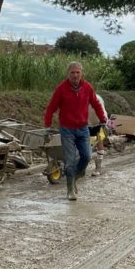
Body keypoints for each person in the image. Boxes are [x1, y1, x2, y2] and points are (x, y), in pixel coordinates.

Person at [44, 61, 108, 200]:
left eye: (78, 72)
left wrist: (103, 118)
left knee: (86, 156)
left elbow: (96, 104)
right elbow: (51, 107)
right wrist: (47, 126)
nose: (75, 75)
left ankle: (77, 175)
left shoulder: (87, 87)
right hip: (67, 130)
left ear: (81, 73)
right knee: (70, 161)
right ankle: (69, 190)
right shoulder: (61, 89)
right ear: (68, 74)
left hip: (83, 128)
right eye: (72, 72)